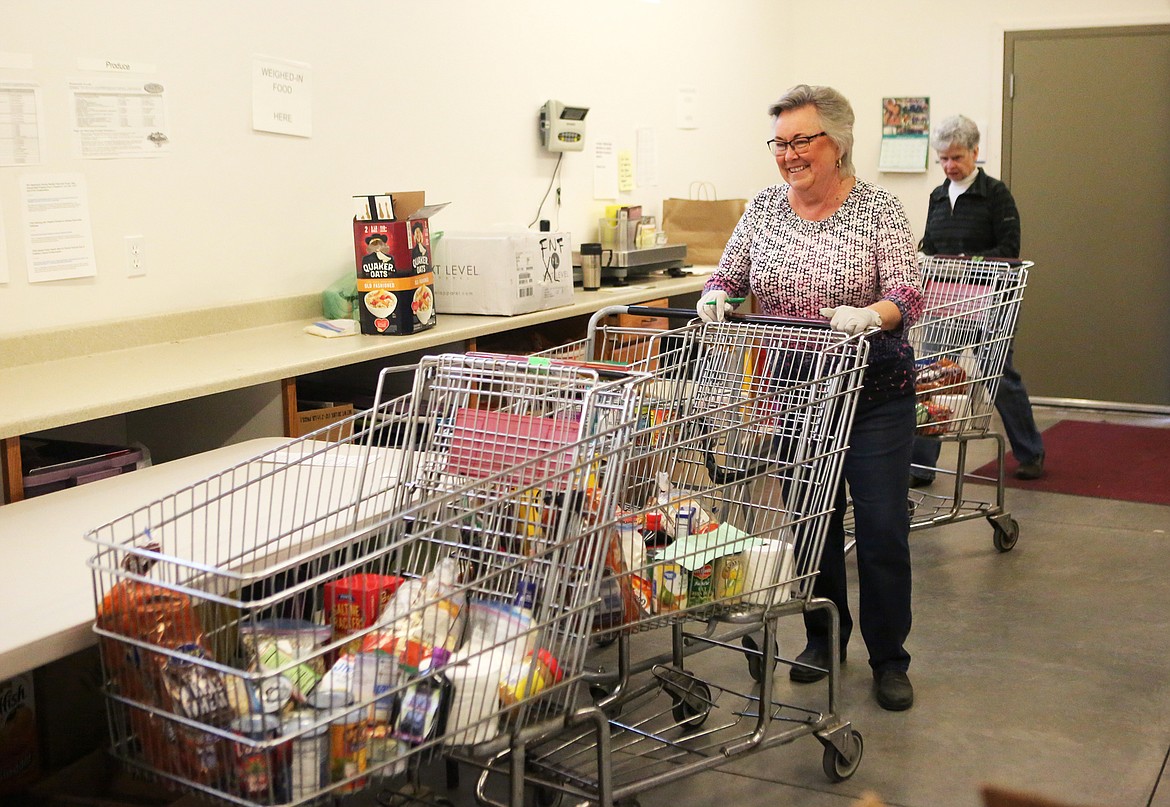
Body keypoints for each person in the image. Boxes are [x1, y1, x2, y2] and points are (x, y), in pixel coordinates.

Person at [697, 84, 924, 711]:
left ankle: (889, 657)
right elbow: (730, 274)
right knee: (813, 526)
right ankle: (824, 638)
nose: (789, 154)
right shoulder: (765, 208)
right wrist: (716, 295)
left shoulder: (878, 209)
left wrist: (871, 316)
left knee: (880, 529)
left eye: (802, 140)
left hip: (874, 390)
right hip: (796, 391)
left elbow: (909, 293)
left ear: (838, 144)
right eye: (780, 142)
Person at [911, 114, 1045, 485]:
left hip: (990, 304)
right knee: (932, 380)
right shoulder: (938, 197)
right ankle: (920, 464)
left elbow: (1008, 249)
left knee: (999, 378)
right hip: (945, 303)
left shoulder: (996, 194)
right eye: (943, 159)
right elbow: (932, 245)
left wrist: (971, 263)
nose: (950, 166)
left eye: (957, 157)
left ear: (975, 152)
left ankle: (1030, 452)